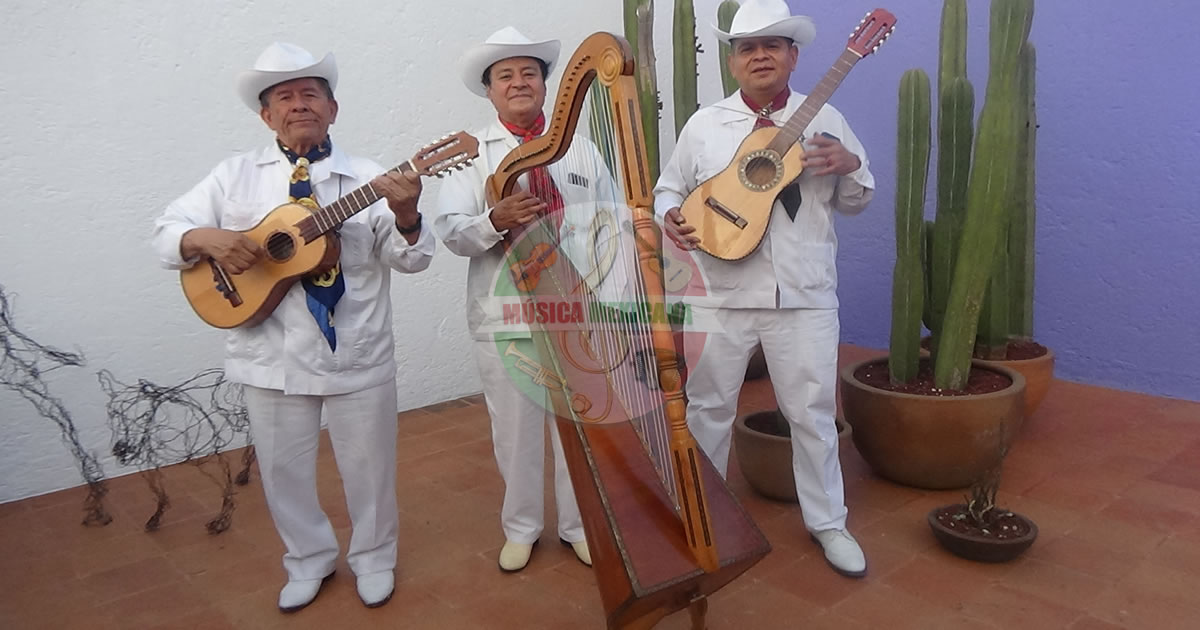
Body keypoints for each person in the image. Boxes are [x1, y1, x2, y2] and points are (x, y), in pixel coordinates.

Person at [151, 42, 435, 611]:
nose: (299, 104)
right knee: (283, 470)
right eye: (285, 97)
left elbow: (413, 259)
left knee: (370, 467)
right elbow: (166, 233)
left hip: (357, 349)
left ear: (333, 110)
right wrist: (206, 239)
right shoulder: (233, 176)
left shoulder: (372, 177)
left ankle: (374, 559)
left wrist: (406, 215)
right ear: (266, 116)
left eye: (311, 94)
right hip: (267, 351)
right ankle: (307, 559)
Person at [653, 0, 874, 578]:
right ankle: (701, 516)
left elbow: (858, 201)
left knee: (813, 414)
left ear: (793, 56)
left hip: (803, 295)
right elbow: (667, 190)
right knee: (707, 409)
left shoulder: (827, 119)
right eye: (747, 47)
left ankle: (828, 522)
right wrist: (670, 217)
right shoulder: (704, 125)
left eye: (772, 45)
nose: (759, 56)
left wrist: (849, 165)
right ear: (732, 62)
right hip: (719, 292)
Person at [434, 26, 633, 573]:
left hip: (577, 311)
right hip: (508, 314)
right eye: (506, 76)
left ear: (548, 87)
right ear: (490, 91)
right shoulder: (473, 157)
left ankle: (576, 525)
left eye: (529, 73)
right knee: (515, 428)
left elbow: (612, 228)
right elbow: (451, 232)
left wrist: (612, 307)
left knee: (579, 426)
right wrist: (492, 221)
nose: (518, 82)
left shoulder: (582, 148)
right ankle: (521, 527)